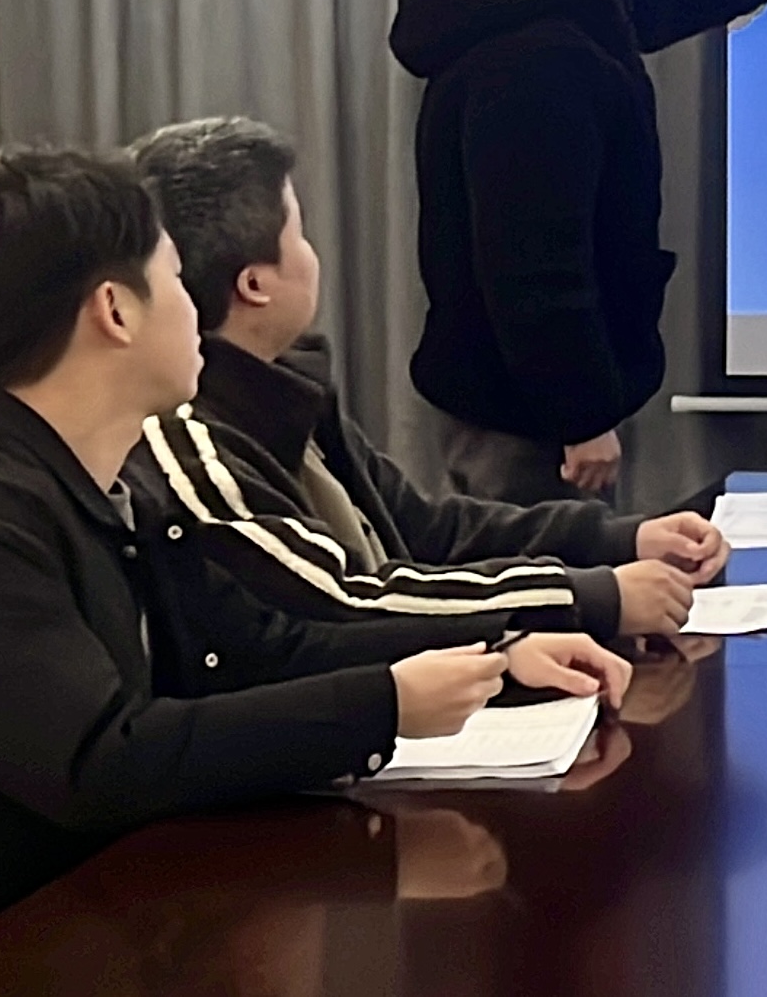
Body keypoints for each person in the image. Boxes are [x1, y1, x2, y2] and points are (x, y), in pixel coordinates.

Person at [0, 147, 632, 949]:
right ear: (115, 311)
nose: (196, 309)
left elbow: (255, 646)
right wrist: (385, 704)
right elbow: (106, 762)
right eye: (176, 278)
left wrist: (498, 658)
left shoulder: (97, 480)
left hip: (125, 908)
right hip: (10, 951)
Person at [128, 116, 732, 641]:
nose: (312, 254)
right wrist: (590, 596)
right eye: (299, 235)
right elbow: (348, 601)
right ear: (255, 285)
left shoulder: (285, 386)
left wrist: (622, 540)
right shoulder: (199, 446)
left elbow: (428, 530)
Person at [389, 0, 767, 504]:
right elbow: (534, 264)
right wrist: (583, 416)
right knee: (542, 570)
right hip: (526, 420)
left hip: (523, 398)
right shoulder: (537, 67)